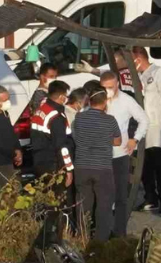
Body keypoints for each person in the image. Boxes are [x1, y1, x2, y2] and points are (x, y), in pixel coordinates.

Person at [100, 71, 149, 237]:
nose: (108, 91)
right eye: (104, 87)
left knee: (121, 195)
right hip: (100, 154)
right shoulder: (97, 100)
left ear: (117, 85)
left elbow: (144, 119)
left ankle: (120, 232)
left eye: (110, 87)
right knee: (103, 195)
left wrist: (135, 139)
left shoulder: (127, 101)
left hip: (120, 154)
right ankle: (102, 232)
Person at [73, 89, 122, 241]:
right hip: (103, 168)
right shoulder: (110, 120)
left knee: (83, 204)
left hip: (81, 167)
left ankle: (82, 237)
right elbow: (118, 141)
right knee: (104, 205)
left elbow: (76, 135)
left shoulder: (79, 118)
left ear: (89, 102)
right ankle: (101, 240)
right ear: (105, 102)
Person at [132, 46, 161, 213]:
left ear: (139, 58)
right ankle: (150, 198)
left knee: (158, 164)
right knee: (144, 165)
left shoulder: (158, 72)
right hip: (142, 125)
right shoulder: (138, 75)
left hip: (156, 124)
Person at [30, 80, 75, 194]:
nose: (67, 99)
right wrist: (68, 169)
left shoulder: (42, 109)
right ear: (61, 97)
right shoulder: (56, 117)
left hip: (39, 162)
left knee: (45, 197)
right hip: (54, 165)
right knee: (57, 200)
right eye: (66, 96)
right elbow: (62, 146)